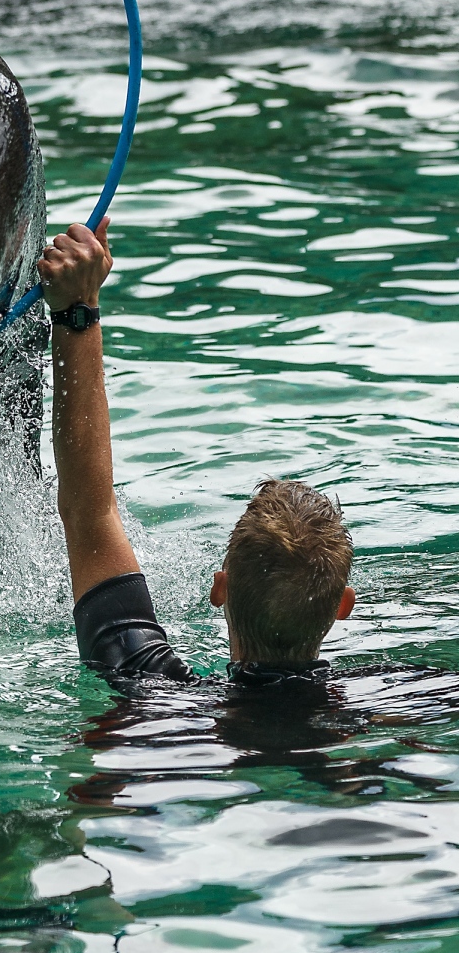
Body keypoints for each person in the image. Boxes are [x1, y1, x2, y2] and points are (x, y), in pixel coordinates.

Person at [38, 218, 356, 690]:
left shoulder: (149, 683)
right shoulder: (401, 699)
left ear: (219, 590)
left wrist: (78, 308)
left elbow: (90, 510)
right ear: (342, 607)